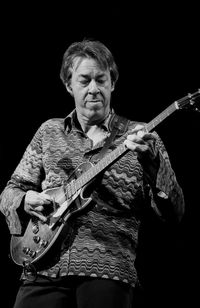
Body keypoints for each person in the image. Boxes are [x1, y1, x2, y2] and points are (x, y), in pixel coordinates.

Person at [0, 39, 185, 308]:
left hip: (107, 270)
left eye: (101, 79)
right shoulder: (49, 132)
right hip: (43, 268)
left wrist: (153, 163)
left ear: (113, 83)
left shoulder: (143, 137)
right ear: (68, 84)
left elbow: (175, 212)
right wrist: (25, 199)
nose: (94, 89)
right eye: (85, 80)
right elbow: (9, 192)